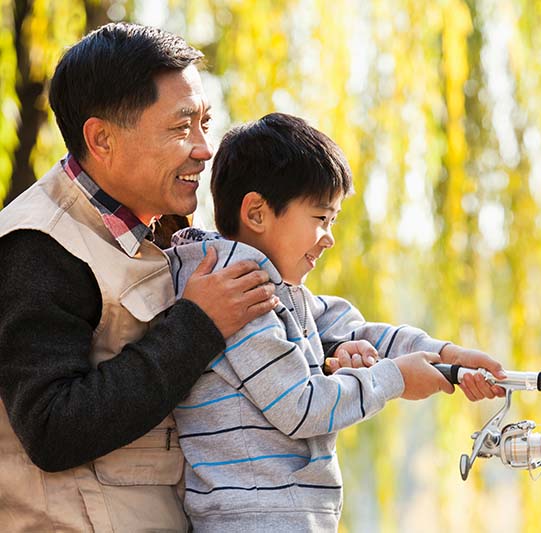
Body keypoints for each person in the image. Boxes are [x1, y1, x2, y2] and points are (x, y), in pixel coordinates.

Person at [167, 112, 506, 532]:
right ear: (256, 213)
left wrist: (445, 356)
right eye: (320, 219)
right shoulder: (239, 293)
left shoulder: (279, 291)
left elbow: (354, 330)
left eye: (333, 221)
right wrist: (394, 379)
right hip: (255, 520)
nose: (329, 237)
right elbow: (301, 406)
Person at [0, 23, 279, 532]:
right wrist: (198, 325)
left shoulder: (159, 230)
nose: (204, 148)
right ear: (101, 138)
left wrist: (333, 359)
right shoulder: (40, 246)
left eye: (204, 123)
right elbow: (51, 427)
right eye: (180, 128)